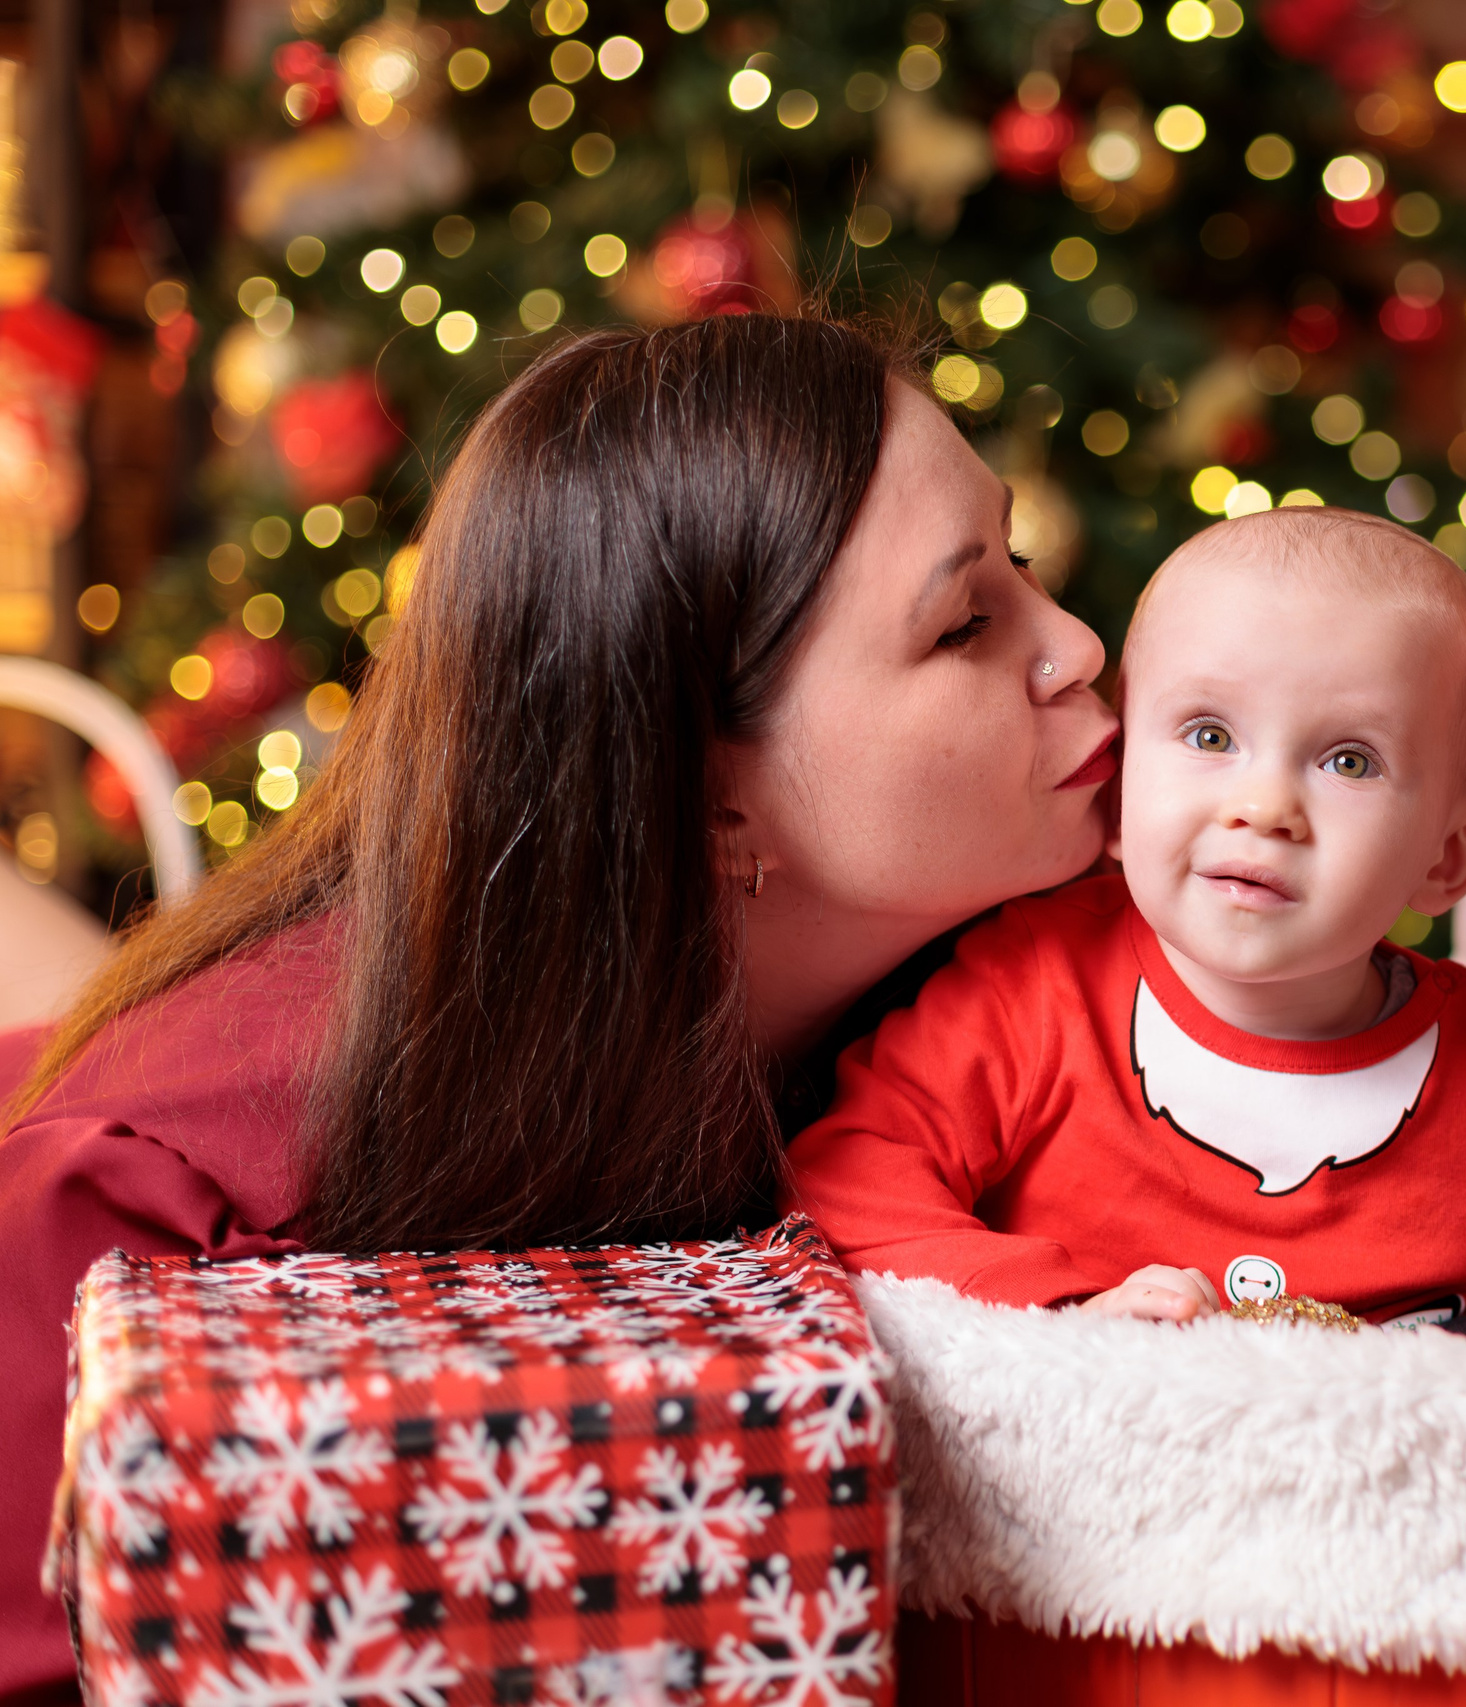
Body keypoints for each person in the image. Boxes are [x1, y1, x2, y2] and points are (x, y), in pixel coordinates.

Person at [0, 314, 1121, 1706]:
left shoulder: (1043, 949)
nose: (1077, 641)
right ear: (710, 797)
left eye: (1021, 561)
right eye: (965, 620)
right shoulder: (158, 1221)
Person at [788, 508, 1466, 1337]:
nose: (1264, 806)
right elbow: (851, 1174)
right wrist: (1061, 1313)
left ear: (1448, 859)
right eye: (1209, 737)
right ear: (1118, 789)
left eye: (1349, 761)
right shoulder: (1033, 984)